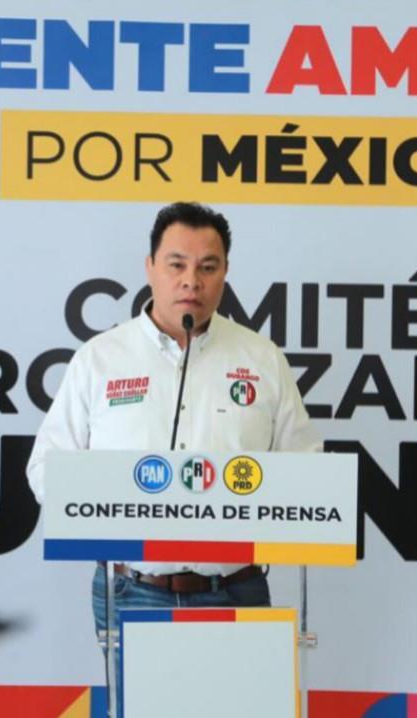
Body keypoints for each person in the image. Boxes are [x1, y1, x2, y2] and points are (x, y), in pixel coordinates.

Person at [26, 201, 322, 658]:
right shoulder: (100, 358)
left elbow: (307, 470)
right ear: (149, 267)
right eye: (176, 265)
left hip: (235, 589)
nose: (192, 281)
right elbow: (45, 467)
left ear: (225, 271)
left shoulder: (261, 359)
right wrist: (106, 512)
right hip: (134, 590)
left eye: (208, 266)